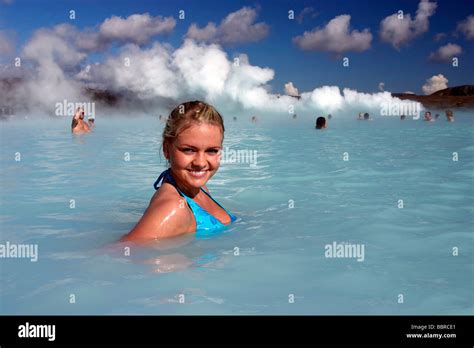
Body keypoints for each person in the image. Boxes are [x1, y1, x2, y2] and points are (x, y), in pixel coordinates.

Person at [121, 101, 236, 241]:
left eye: (211, 151)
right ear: (166, 149)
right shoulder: (174, 208)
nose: (200, 163)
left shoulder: (199, 188)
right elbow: (118, 253)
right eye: (188, 150)